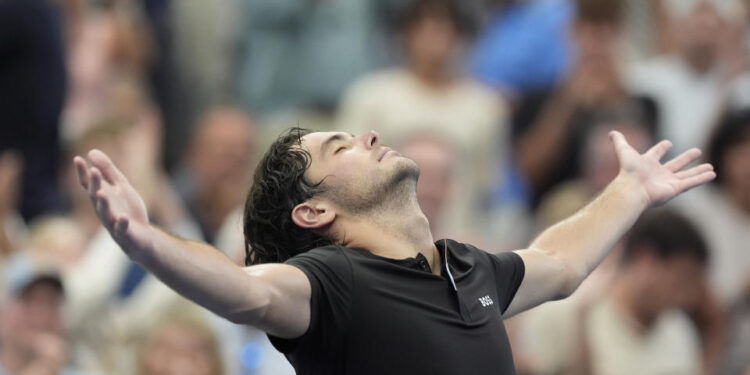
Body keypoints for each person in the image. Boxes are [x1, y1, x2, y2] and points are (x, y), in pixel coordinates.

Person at [73, 127, 715, 374]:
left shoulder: (467, 266)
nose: (368, 135)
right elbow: (247, 292)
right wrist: (146, 240)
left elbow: (562, 263)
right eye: (340, 147)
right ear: (315, 211)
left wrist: (631, 190)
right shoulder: (332, 282)